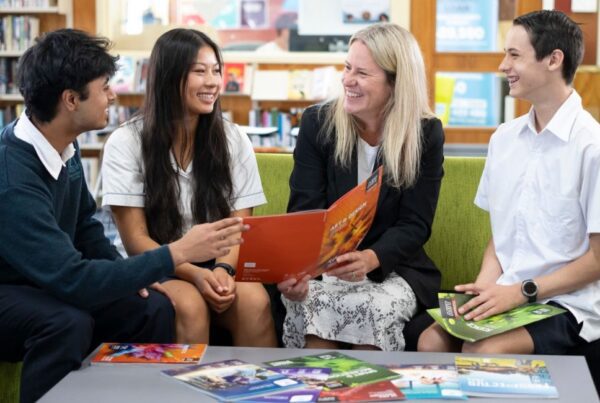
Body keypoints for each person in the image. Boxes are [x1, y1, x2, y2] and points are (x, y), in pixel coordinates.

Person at [0, 29, 247, 403]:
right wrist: (175, 253)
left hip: (45, 279)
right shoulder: (12, 177)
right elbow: (71, 278)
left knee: (150, 306)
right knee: (67, 323)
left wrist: (133, 276)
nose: (113, 96)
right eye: (104, 88)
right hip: (11, 291)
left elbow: (86, 227)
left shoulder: (62, 147)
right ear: (70, 100)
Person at [418, 10, 600, 355]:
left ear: (553, 60)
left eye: (514, 55)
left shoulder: (591, 146)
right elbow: (503, 236)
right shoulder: (503, 138)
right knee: (431, 342)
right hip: (508, 293)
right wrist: (486, 287)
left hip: (567, 303)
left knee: (483, 352)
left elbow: (598, 260)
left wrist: (520, 291)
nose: (503, 65)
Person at [102, 28, 277, 346]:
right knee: (191, 306)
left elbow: (240, 226)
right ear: (169, 76)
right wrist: (195, 274)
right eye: (200, 71)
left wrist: (223, 269)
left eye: (216, 70)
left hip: (218, 262)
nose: (213, 82)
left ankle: (258, 393)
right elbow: (135, 239)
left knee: (255, 302)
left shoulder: (233, 138)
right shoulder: (125, 142)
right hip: (157, 263)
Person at [277, 22, 445, 351]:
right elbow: (304, 210)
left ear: (395, 83)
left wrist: (371, 258)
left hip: (392, 268)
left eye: (362, 74)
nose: (347, 80)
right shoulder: (317, 123)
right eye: (347, 68)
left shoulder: (425, 133)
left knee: (372, 313)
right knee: (315, 310)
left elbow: (415, 223)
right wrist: (302, 271)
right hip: (325, 267)